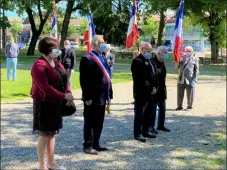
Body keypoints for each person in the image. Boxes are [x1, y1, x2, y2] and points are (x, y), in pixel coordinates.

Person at [31, 36, 74, 170]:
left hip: (56, 103)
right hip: (44, 104)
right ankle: (42, 166)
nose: (58, 49)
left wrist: (68, 92)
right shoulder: (39, 66)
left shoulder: (56, 62)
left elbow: (64, 78)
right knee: (44, 135)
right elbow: (46, 88)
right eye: (55, 47)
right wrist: (64, 96)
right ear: (49, 50)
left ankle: (51, 162)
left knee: (52, 133)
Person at [79, 35, 113, 155]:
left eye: (104, 42)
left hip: (103, 95)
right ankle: (87, 145)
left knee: (99, 121)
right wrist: (87, 97)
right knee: (90, 122)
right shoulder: (87, 58)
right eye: (101, 42)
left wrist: (109, 94)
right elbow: (84, 81)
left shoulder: (103, 57)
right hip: (92, 97)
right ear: (93, 44)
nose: (103, 44)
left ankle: (96, 143)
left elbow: (107, 76)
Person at [131, 42, 157, 143]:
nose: (149, 52)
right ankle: (137, 133)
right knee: (139, 113)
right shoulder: (137, 61)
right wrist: (151, 88)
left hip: (150, 92)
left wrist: (154, 87)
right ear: (142, 49)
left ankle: (145, 130)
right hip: (141, 92)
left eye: (150, 50)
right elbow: (140, 79)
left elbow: (153, 76)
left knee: (148, 113)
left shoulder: (149, 60)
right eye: (147, 50)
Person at [150, 46, 170, 133]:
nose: (166, 54)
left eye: (167, 52)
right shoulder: (152, 62)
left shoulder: (162, 62)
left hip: (162, 89)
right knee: (153, 110)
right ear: (158, 53)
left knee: (162, 108)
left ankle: (161, 125)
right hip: (155, 90)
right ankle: (151, 126)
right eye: (165, 53)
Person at [176, 46, 199, 110]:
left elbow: (196, 71)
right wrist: (178, 62)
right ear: (185, 51)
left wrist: (194, 80)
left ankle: (190, 105)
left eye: (189, 51)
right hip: (181, 79)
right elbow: (176, 67)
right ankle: (179, 106)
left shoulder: (195, 59)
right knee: (179, 94)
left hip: (190, 79)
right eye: (187, 51)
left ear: (192, 52)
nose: (188, 52)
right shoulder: (181, 58)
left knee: (190, 94)